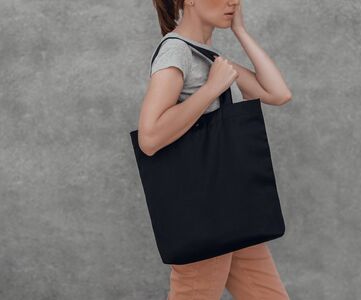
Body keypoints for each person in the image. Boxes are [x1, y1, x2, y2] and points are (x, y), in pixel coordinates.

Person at [137, 1, 292, 299]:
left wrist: (241, 31)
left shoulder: (210, 57)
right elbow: (150, 136)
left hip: (232, 211)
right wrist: (210, 89)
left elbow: (279, 93)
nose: (233, 1)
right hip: (204, 215)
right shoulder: (177, 51)